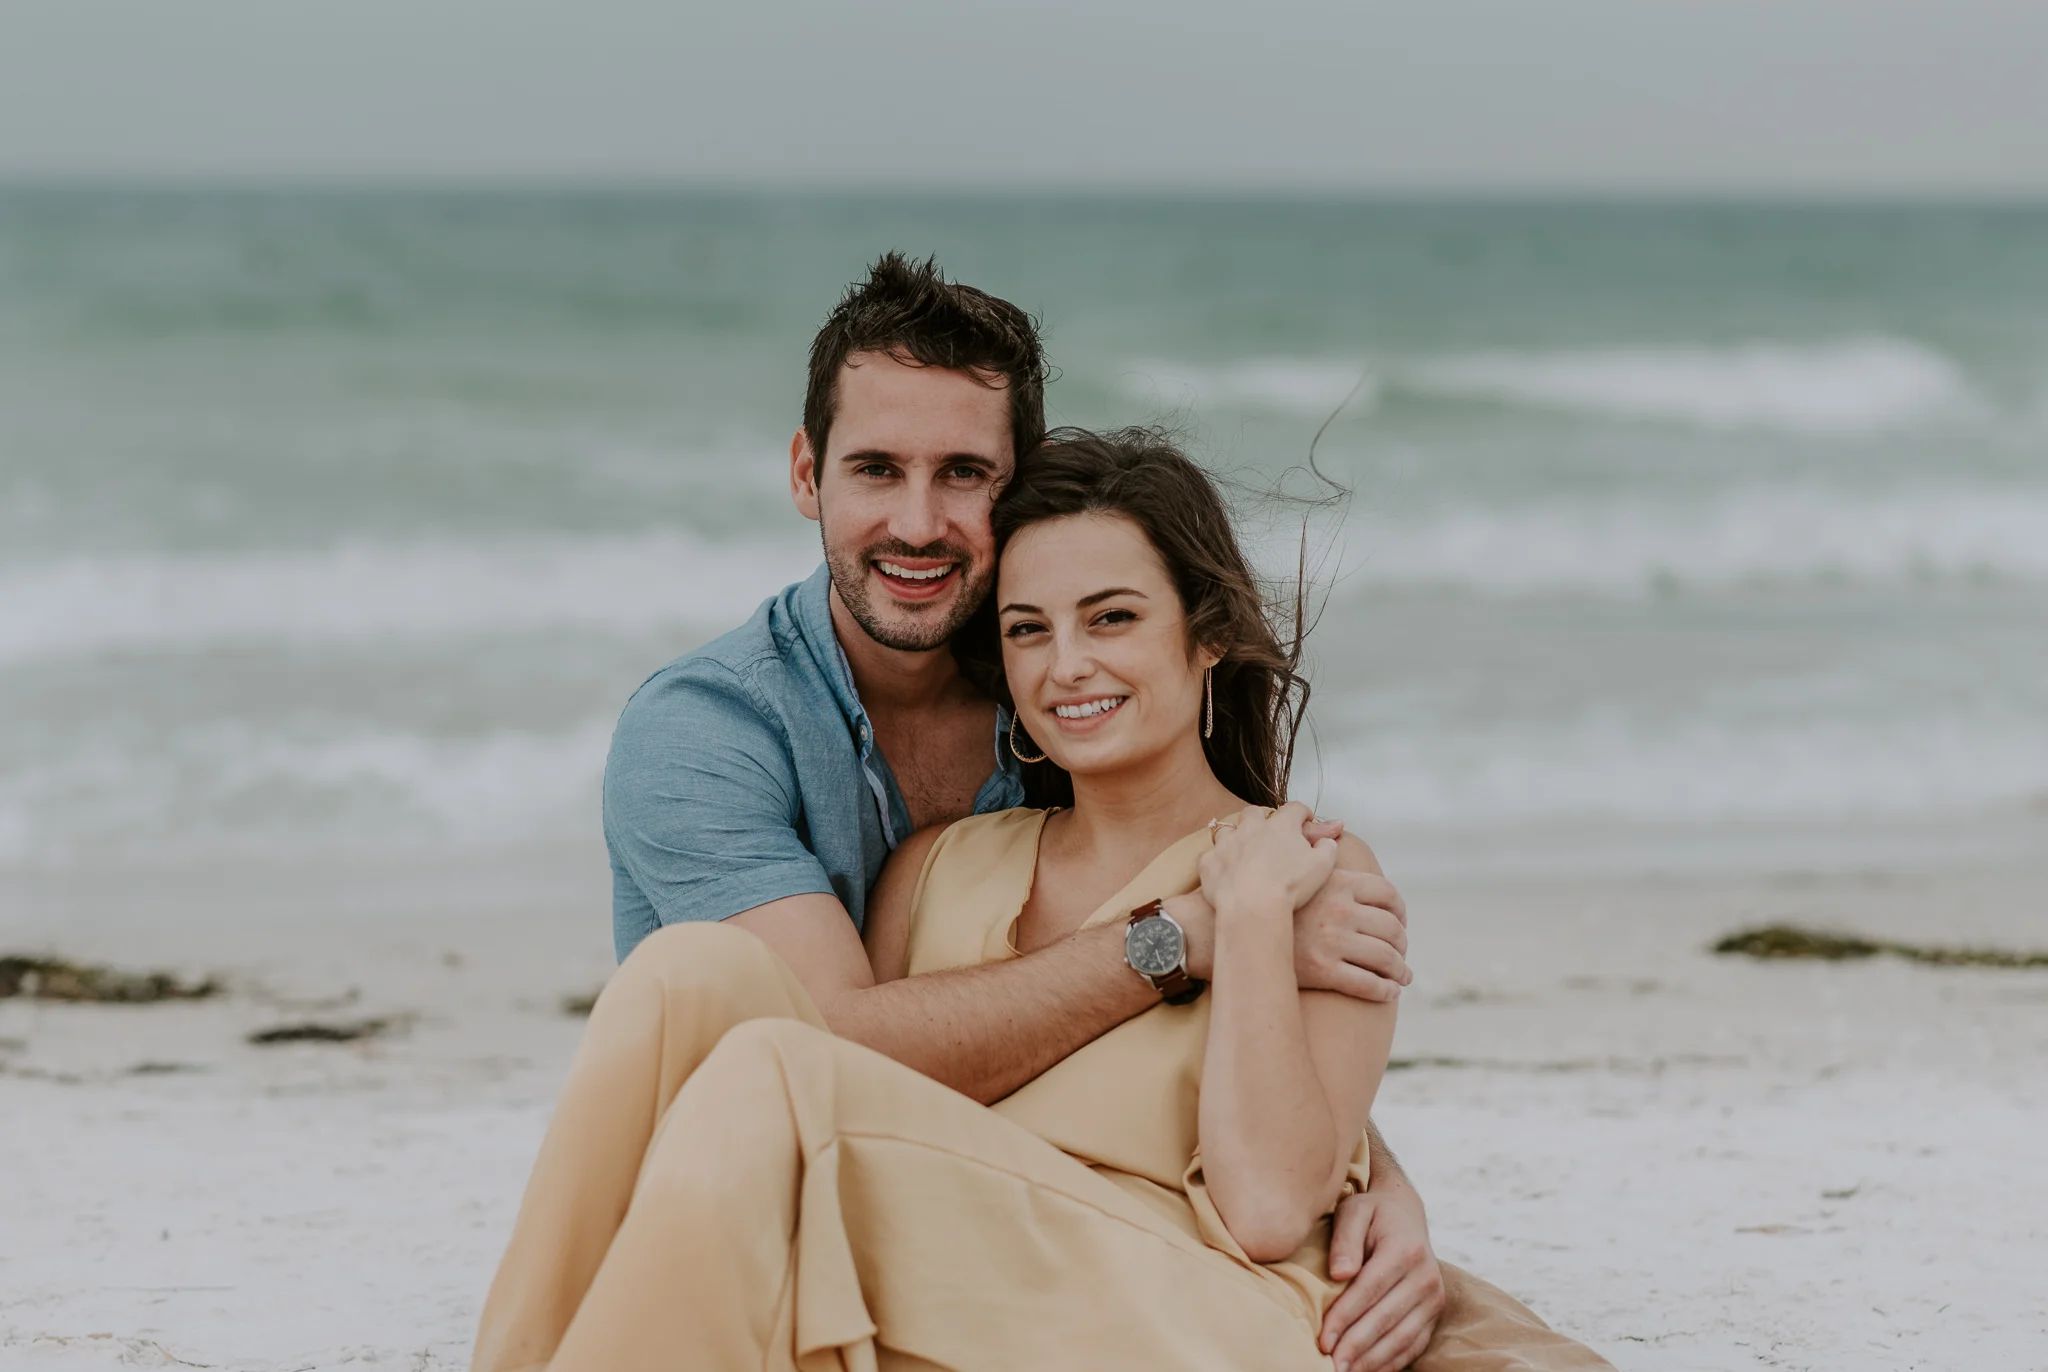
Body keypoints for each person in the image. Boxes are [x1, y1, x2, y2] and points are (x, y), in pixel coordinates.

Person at [496, 254, 1606, 1371]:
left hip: (1157, 1289)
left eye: (963, 473)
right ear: (806, 473)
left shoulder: (1242, 844)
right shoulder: (731, 742)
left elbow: (1264, 1164)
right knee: (686, 983)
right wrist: (1188, 938)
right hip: (905, 1221)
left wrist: (1371, 1176)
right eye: (876, 468)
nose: (918, 522)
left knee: (762, 1064)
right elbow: (841, 1043)